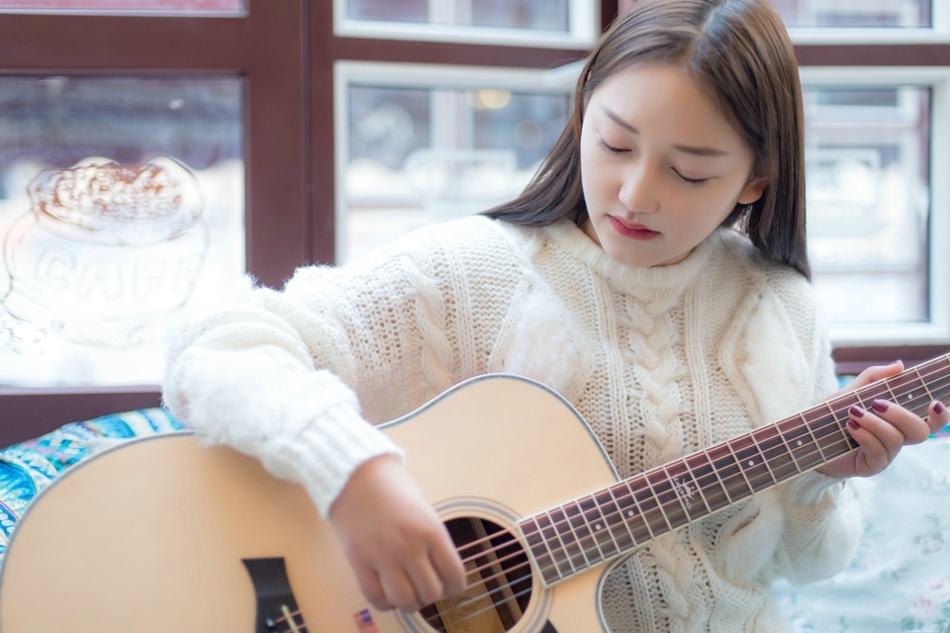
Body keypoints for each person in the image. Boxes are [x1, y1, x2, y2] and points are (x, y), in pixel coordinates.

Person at [162, 0, 949, 630]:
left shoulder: (780, 307)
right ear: (582, 115)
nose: (637, 193)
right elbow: (215, 345)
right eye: (614, 144)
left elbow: (806, 566)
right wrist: (353, 475)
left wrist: (820, 479)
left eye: (689, 169)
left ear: (755, 180)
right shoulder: (473, 274)